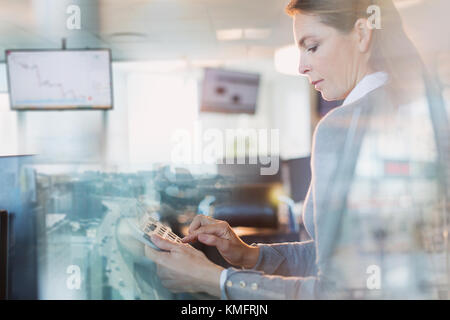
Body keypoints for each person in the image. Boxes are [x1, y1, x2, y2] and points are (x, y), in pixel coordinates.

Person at [144, 0, 445, 299]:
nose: (302, 66)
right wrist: (250, 256)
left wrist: (212, 279)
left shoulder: (341, 127)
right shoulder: (415, 112)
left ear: (363, 34)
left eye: (312, 46)